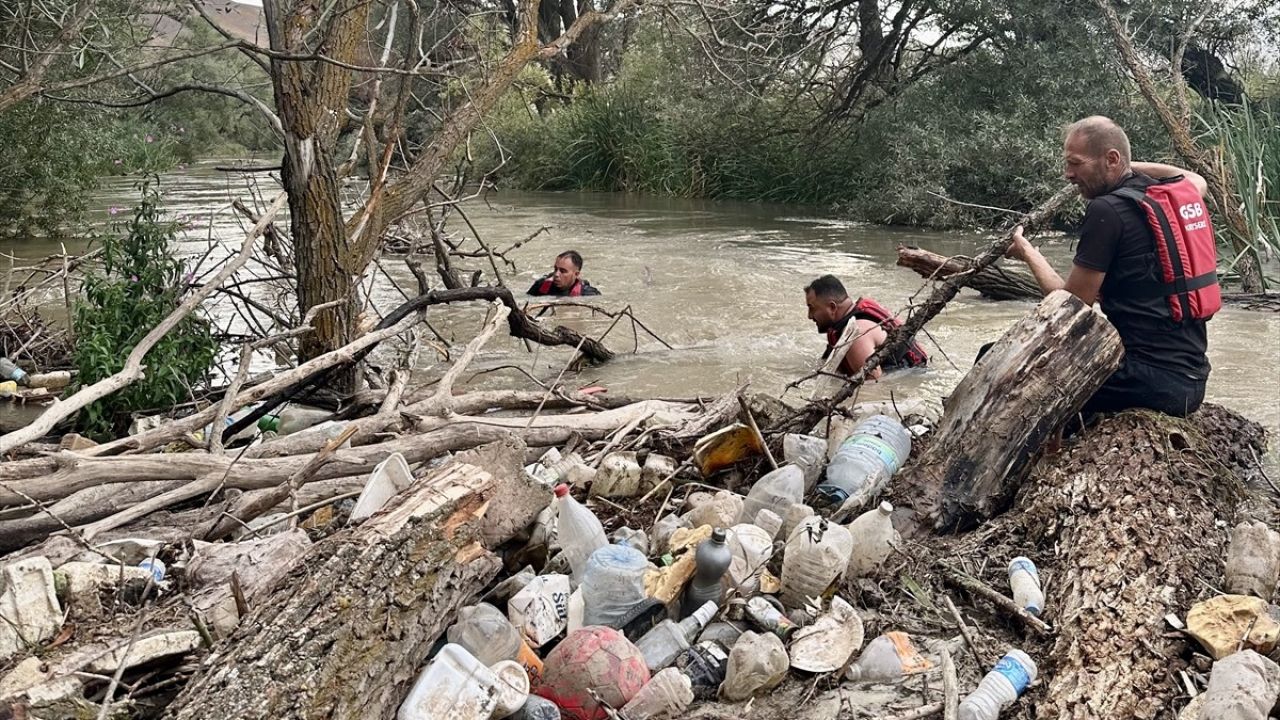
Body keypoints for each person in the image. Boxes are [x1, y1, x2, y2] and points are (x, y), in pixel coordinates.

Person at [1005, 115, 1221, 418]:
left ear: (1111, 159)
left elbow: (1070, 305)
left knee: (1001, 363)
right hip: (1190, 380)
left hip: (1146, 380)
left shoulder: (1107, 210)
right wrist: (1128, 166)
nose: (1068, 174)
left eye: (1075, 163)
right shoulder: (1169, 198)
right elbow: (1197, 179)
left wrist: (1028, 252)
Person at [804, 275, 928, 379]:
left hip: (912, 377)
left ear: (832, 307)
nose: (809, 316)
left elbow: (873, 387)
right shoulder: (847, 322)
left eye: (812, 308)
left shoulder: (857, 335)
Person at [527, 250, 601, 297]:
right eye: (556, 269)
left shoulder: (589, 294)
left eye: (563, 271)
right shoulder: (540, 286)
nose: (556, 274)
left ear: (576, 274)